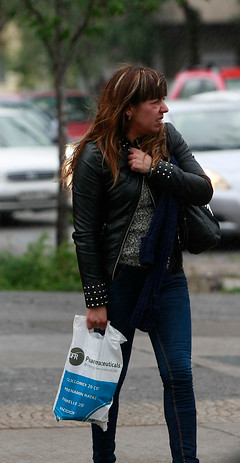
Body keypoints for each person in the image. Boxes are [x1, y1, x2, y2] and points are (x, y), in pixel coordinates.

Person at [62, 64, 212, 463]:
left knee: (179, 374)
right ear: (129, 108)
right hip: (119, 284)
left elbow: (202, 189)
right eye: (155, 101)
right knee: (107, 382)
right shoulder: (96, 156)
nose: (164, 108)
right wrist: (95, 299)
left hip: (167, 278)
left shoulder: (167, 140)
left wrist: (156, 168)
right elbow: (86, 234)